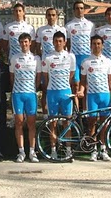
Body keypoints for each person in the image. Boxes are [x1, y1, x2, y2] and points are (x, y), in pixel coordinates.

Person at [80, 35, 111, 162]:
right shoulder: (86, 62)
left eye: (98, 43)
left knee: (104, 123)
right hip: (92, 96)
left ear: (102, 45)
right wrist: (81, 91)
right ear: (91, 45)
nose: (96, 46)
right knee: (92, 123)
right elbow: (83, 81)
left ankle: (103, 149)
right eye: (94, 43)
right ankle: (93, 149)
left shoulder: (108, 61)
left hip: (105, 95)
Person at [41, 31, 76, 160]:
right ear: (53, 42)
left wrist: (65, 84)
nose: (58, 43)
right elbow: (45, 76)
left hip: (66, 92)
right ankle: (53, 151)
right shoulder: (48, 57)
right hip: (52, 93)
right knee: (53, 123)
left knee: (68, 122)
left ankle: (68, 151)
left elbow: (71, 74)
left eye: (60, 41)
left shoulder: (71, 56)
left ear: (65, 42)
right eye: (56, 41)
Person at [9, 33, 41, 163]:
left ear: (30, 42)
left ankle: (32, 152)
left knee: (32, 124)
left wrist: (34, 88)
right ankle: (21, 152)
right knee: (19, 123)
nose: (24, 44)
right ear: (19, 43)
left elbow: (38, 78)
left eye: (26, 42)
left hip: (31, 94)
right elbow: (11, 77)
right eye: (21, 42)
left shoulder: (36, 59)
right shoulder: (14, 58)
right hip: (18, 95)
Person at [35, 8, 66, 119]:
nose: (51, 17)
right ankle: (45, 113)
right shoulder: (41, 30)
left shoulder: (62, 29)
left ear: (56, 16)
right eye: (49, 15)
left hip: (59, 64)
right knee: (45, 89)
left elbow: (65, 47)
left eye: (53, 15)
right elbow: (37, 48)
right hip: (46, 63)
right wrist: (42, 59)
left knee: (60, 88)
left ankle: (62, 115)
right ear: (46, 16)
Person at [65, 1, 95, 96]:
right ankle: (77, 108)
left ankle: (85, 109)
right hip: (75, 58)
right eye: (77, 8)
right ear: (74, 10)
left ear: (84, 10)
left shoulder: (91, 25)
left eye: (81, 8)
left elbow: (92, 42)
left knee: (86, 84)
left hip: (86, 57)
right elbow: (68, 43)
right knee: (76, 84)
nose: (79, 10)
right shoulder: (69, 25)